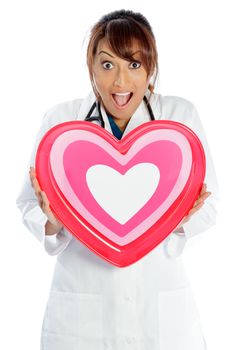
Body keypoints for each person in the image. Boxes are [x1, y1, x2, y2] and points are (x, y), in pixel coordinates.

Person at [16, 9, 219, 350]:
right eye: (108, 65)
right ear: (91, 67)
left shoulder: (179, 120)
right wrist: (53, 223)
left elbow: (210, 203)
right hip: (83, 314)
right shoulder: (62, 124)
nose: (121, 82)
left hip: (159, 311)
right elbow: (27, 203)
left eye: (134, 65)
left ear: (150, 68)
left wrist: (180, 218)